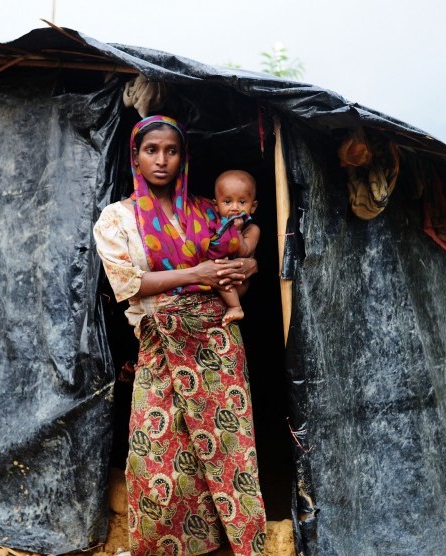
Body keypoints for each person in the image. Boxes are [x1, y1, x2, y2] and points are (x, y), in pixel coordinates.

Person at [93, 115, 267, 556]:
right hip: (160, 342)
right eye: (151, 150)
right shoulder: (118, 219)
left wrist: (246, 267)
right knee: (155, 458)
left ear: (183, 157)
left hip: (216, 343)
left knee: (227, 453)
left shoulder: (210, 210)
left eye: (172, 151)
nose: (162, 160)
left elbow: (237, 276)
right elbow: (127, 284)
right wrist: (197, 272)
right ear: (135, 156)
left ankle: (237, 546)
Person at [212, 170, 260, 326]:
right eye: (227, 202)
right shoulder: (216, 227)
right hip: (218, 283)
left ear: (253, 207)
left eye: (242, 202)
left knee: (222, 270)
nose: (235, 208)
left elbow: (244, 251)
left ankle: (235, 307)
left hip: (238, 284)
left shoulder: (252, 230)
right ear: (216, 206)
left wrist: (237, 231)